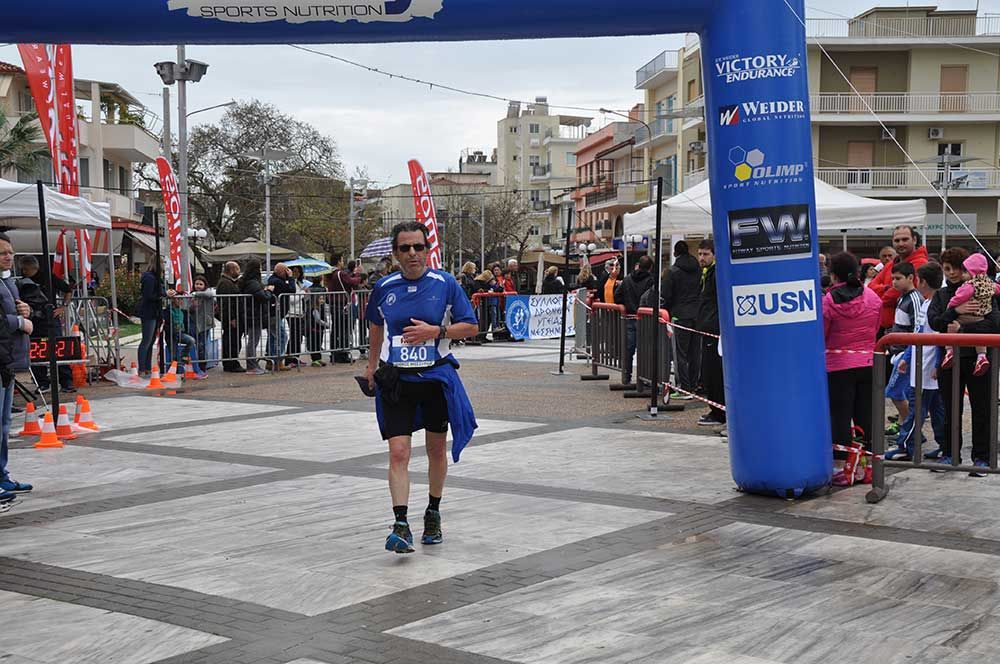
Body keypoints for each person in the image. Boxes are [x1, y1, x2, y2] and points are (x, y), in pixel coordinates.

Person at [364, 221, 479, 554]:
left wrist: (436, 332)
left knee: (435, 450)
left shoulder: (445, 284)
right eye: (405, 248)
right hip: (396, 380)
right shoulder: (384, 287)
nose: (412, 253)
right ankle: (400, 524)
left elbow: (471, 326)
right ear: (395, 253)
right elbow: (375, 324)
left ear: (427, 250)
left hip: (434, 379)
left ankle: (433, 511)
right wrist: (371, 364)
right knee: (398, 452)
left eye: (418, 246)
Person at [928, 247, 1000, 476]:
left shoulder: (985, 290)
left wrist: (962, 328)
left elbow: (994, 323)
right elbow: (935, 322)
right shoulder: (941, 295)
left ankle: (982, 458)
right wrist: (955, 310)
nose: (952, 273)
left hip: (980, 359)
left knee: (982, 409)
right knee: (950, 409)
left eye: (956, 268)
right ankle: (950, 454)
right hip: (950, 360)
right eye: (946, 269)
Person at [822, 252, 881, 486]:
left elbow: (822, 334)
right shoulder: (872, 297)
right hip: (867, 363)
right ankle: (867, 468)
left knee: (840, 417)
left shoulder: (828, 301)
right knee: (866, 416)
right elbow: (876, 327)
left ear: (833, 275)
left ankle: (841, 468)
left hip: (837, 367)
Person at [886, 262, 947, 462]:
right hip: (921, 366)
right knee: (936, 411)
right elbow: (918, 334)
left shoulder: (934, 305)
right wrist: (907, 357)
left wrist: (937, 365)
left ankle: (906, 446)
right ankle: (945, 445)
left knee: (917, 411)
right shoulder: (927, 303)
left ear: (922, 281)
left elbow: (939, 339)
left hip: (926, 368)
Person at [0, 234, 32, 500]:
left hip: (8, 360)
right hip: (2, 358)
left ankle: (2, 475)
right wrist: (20, 323)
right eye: (2, 253)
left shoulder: (8, 282)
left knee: (4, 422)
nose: (8, 256)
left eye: (10, 252)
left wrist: (25, 311)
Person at [17, 255, 74, 394]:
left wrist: (63, 307)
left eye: (25, 269)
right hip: (32, 320)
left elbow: (68, 290)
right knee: (35, 351)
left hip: (50, 318)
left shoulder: (49, 277)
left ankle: (66, 381)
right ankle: (42, 383)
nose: (23, 271)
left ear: (32, 267)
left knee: (59, 349)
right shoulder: (21, 282)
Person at [940, 252, 1000, 376]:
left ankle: (949, 351)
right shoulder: (990, 284)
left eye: (965, 272)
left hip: (966, 316)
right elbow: (997, 289)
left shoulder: (969, 286)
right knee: (979, 337)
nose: (961, 274)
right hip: (981, 316)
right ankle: (982, 356)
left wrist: (951, 307)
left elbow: (959, 297)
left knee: (952, 326)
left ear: (972, 273)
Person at [883, 262, 922, 436]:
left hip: (907, 354)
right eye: (892, 278)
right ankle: (906, 428)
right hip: (898, 353)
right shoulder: (901, 298)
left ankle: (912, 432)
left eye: (898, 278)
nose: (894, 282)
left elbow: (918, 330)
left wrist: (908, 355)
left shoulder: (914, 299)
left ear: (911, 278)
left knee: (894, 392)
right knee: (903, 394)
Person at [868, 226, 929, 334]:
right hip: (886, 328)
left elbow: (892, 296)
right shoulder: (891, 264)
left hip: (904, 330)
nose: (900, 244)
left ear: (914, 240)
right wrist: (886, 288)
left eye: (905, 239)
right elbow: (870, 287)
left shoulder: (920, 263)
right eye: (897, 240)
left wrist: (880, 293)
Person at [661, 241, 701, 400]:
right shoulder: (698, 269)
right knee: (695, 353)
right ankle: (694, 385)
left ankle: (684, 388)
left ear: (675, 253)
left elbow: (666, 295)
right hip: (697, 314)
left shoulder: (672, 272)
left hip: (679, 315)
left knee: (680, 354)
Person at [696, 240, 725, 427]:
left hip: (713, 328)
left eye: (705, 254)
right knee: (708, 372)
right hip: (708, 326)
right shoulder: (706, 273)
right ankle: (715, 409)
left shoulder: (716, 273)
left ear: (714, 255)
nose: (701, 258)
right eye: (699, 254)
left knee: (714, 372)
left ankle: (719, 412)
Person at [615, 255, 653, 386]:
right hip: (646, 319)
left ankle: (627, 375)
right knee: (646, 349)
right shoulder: (651, 280)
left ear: (638, 265)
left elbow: (617, 296)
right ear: (650, 268)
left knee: (629, 349)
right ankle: (645, 377)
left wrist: (626, 304)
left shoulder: (627, 279)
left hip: (630, 317)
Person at [238, 259, 274, 375]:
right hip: (254, 315)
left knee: (253, 341)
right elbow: (262, 297)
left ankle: (253, 364)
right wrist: (269, 291)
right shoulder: (253, 283)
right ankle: (251, 366)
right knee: (253, 341)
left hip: (251, 314)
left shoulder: (245, 281)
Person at [137, 262, 171, 378]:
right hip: (149, 312)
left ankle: (147, 368)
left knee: (150, 341)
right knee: (146, 341)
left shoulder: (154, 278)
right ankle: (142, 368)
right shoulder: (150, 278)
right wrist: (164, 294)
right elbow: (148, 295)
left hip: (154, 312)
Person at [327, 254, 362, 364]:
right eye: (342, 261)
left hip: (333, 303)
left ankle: (334, 353)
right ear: (338, 262)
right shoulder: (339, 273)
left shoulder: (329, 273)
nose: (343, 263)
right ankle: (343, 354)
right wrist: (358, 274)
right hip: (342, 303)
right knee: (344, 329)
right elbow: (351, 282)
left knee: (335, 329)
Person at [166, 293, 207, 379]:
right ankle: (171, 372)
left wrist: (193, 302)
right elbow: (167, 324)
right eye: (178, 299)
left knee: (191, 340)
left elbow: (190, 314)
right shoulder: (169, 311)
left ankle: (183, 356)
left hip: (181, 333)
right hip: (172, 335)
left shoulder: (183, 311)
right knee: (173, 354)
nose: (180, 301)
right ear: (173, 300)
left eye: (181, 299)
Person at [216, 261, 245, 373]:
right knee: (231, 341)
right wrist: (231, 318)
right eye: (237, 269)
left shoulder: (229, 282)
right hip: (231, 318)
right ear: (231, 270)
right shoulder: (225, 283)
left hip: (233, 316)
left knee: (234, 340)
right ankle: (231, 364)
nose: (239, 271)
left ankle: (231, 362)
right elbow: (226, 303)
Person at [267, 263, 296, 371]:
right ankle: (278, 361)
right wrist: (291, 277)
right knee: (282, 336)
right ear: (282, 272)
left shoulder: (273, 279)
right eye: (286, 271)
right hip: (275, 313)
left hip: (275, 313)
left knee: (272, 336)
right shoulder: (277, 281)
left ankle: (270, 360)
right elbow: (292, 290)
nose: (288, 272)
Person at [189, 275, 216, 373]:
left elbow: (209, 294)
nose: (198, 286)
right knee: (195, 344)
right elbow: (189, 310)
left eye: (201, 284)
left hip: (205, 323)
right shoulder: (191, 295)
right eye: (196, 284)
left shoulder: (207, 292)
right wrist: (193, 306)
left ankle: (202, 366)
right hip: (194, 322)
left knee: (202, 345)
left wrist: (196, 294)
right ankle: (194, 365)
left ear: (205, 285)